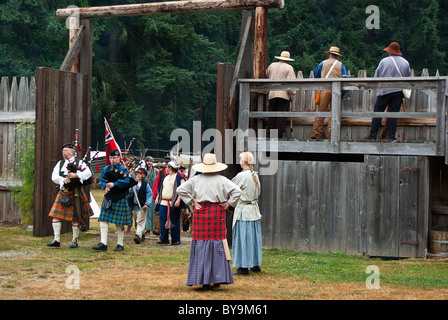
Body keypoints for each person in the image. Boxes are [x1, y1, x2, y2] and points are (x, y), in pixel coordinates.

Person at [176, 153, 242, 291]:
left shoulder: (196, 179)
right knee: (217, 245)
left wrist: (193, 201)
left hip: (201, 212)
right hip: (217, 213)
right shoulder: (222, 180)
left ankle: (204, 280)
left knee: (202, 245)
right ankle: (217, 279)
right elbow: (237, 191)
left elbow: (180, 189)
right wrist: (228, 203)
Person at [47, 143, 93, 248]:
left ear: (72, 152)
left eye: (66, 151)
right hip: (63, 191)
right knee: (55, 216)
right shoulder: (60, 163)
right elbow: (54, 177)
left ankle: (74, 240)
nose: (64, 153)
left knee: (76, 216)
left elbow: (88, 174)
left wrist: (77, 175)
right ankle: (56, 240)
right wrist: (63, 179)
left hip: (76, 192)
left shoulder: (80, 163)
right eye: (63, 151)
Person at [366, 42, 411, 141]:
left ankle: (372, 136)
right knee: (393, 115)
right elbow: (408, 78)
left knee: (378, 113)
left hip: (384, 91)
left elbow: (376, 76)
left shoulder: (383, 61)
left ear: (390, 51)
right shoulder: (405, 63)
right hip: (398, 92)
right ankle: (391, 136)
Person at [94, 149, 135, 252]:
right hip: (109, 197)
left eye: (114, 158)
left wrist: (114, 184)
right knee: (103, 220)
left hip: (120, 197)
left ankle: (120, 244)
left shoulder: (123, 169)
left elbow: (126, 181)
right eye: (111, 158)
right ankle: (103, 243)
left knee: (119, 223)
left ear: (118, 158)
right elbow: (103, 180)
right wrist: (105, 187)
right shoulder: (106, 169)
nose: (112, 160)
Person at [231, 152, 262, 275]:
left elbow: (231, 187)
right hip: (253, 211)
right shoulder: (254, 175)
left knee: (243, 238)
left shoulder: (242, 176)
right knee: (253, 238)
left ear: (242, 162)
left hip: (244, 212)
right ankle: (255, 264)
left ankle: (243, 266)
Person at [312, 46, 348, 139]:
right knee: (334, 114)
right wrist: (343, 93)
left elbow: (316, 74)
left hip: (324, 89)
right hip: (337, 91)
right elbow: (346, 79)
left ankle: (317, 135)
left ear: (329, 54)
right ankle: (331, 136)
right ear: (337, 56)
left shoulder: (322, 63)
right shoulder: (341, 65)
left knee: (321, 112)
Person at [266, 51, 296, 138]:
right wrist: (292, 94)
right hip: (283, 95)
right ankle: (277, 136)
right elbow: (290, 84)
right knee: (281, 117)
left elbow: (267, 74)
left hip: (272, 94)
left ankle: (270, 135)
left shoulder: (272, 65)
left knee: (272, 115)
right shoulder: (289, 68)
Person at [155, 161, 185, 245]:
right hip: (164, 202)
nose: (166, 169)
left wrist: (178, 200)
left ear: (170, 168)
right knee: (163, 220)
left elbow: (183, 190)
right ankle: (164, 238)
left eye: (167, 167)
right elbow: (161, 188)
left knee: (174, 221)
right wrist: (158, 197)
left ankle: (175, 239)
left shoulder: (179, 177)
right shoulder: (165, 177)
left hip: (173, 202)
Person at [128, 167, 152, 244]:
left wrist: (147, 204)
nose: (138, 175)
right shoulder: (133, 184)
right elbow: (129, 195)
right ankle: (142, 234)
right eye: (137, 174)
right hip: (134, 206)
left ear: (143, 175)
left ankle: (137, 236)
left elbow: (149, 195)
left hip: (142, 206)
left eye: (140, 174)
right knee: (136, 221)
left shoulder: (146, 186)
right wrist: (131, 190)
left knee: (140, 221)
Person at [143, 156, 159, 234]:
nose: (149, 162)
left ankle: (153, 227)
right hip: (145, 193)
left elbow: (159, 182)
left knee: (152, 211)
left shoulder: (156, 171)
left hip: (154, 194)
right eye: (147, 161)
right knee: (146, 211)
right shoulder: (144, 172)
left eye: (150, 161)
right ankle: (147, 228)